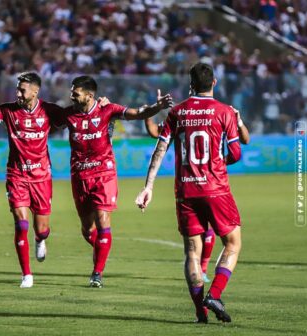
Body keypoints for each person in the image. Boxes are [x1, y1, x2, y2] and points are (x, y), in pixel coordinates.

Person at [136, 63, 243, 323]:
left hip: (185, 191)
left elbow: (159, 151)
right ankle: (215, 294)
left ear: (190, 84)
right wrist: (217, 162)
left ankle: (200, 313)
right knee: (232, 242)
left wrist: (148, 186)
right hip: (216, 188)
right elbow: (236, 154)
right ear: (214, 83)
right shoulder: (225, 112)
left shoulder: (177, 112)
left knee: (192, 253)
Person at [56, 75, 173, 288]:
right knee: (87, 230)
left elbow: (138, 113)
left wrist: (157, 107)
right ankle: (101, 247)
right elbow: (44, 117)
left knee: (103, 220)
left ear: (89, 95)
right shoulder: (68, 115)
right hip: (79, 177)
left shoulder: (107, 110)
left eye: (76, 92)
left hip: (104, 174)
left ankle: (97, 273)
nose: (71, 95)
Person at [0, 72, 65, 288]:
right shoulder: (8, 110)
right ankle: (26, 275)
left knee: (41, 229)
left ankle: (40, 239)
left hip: (41, 177)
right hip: (16, 175)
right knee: (21, 224)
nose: (17, 93)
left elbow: (74, 118)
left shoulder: (49, 110)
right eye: (17, 89)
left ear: (35, 91)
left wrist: (101, 107)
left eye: (22, 90)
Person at [144, 105, 249, 283]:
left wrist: (239, 121)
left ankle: (202, 278)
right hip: (212, 185)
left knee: (198, 240)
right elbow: (242, 145)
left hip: (189, 185)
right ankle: (206, 276)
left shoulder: (181, 113)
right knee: (223, 238)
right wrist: (149, 115)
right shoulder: (215, 111)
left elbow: (245, 138)